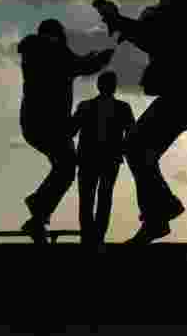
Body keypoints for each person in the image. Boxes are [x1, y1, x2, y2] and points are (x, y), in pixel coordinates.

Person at [93, 0, 187, 244]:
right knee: (141, 152)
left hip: (184, 96)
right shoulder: (183, 14)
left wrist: (120, 20)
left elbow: (154, 36)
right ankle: (158, 214)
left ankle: (161, 211)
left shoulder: (185, 13)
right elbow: (152, 37)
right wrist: (123, 23)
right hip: (182, 97)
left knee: (136, 146)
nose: (158, 2)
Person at [17, 18, 114, 243]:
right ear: (59, 36)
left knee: (64, 167)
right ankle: (38, 208)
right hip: (52, 125)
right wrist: (102, 59)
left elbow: (73, 64)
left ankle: (39, 214)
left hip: (33, 125)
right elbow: (79, 66)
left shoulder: (33, 53)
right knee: (67, 168)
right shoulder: (54, 50)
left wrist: (90, 59)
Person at [70, 71, 134, 246]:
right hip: (102, 159)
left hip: (95, 159)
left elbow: (71, 129)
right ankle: (95, 237)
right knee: (100, 198)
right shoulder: (123, 108)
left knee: (91, 198)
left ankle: (92, 237)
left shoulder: (86, 106)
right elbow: (132, 135)